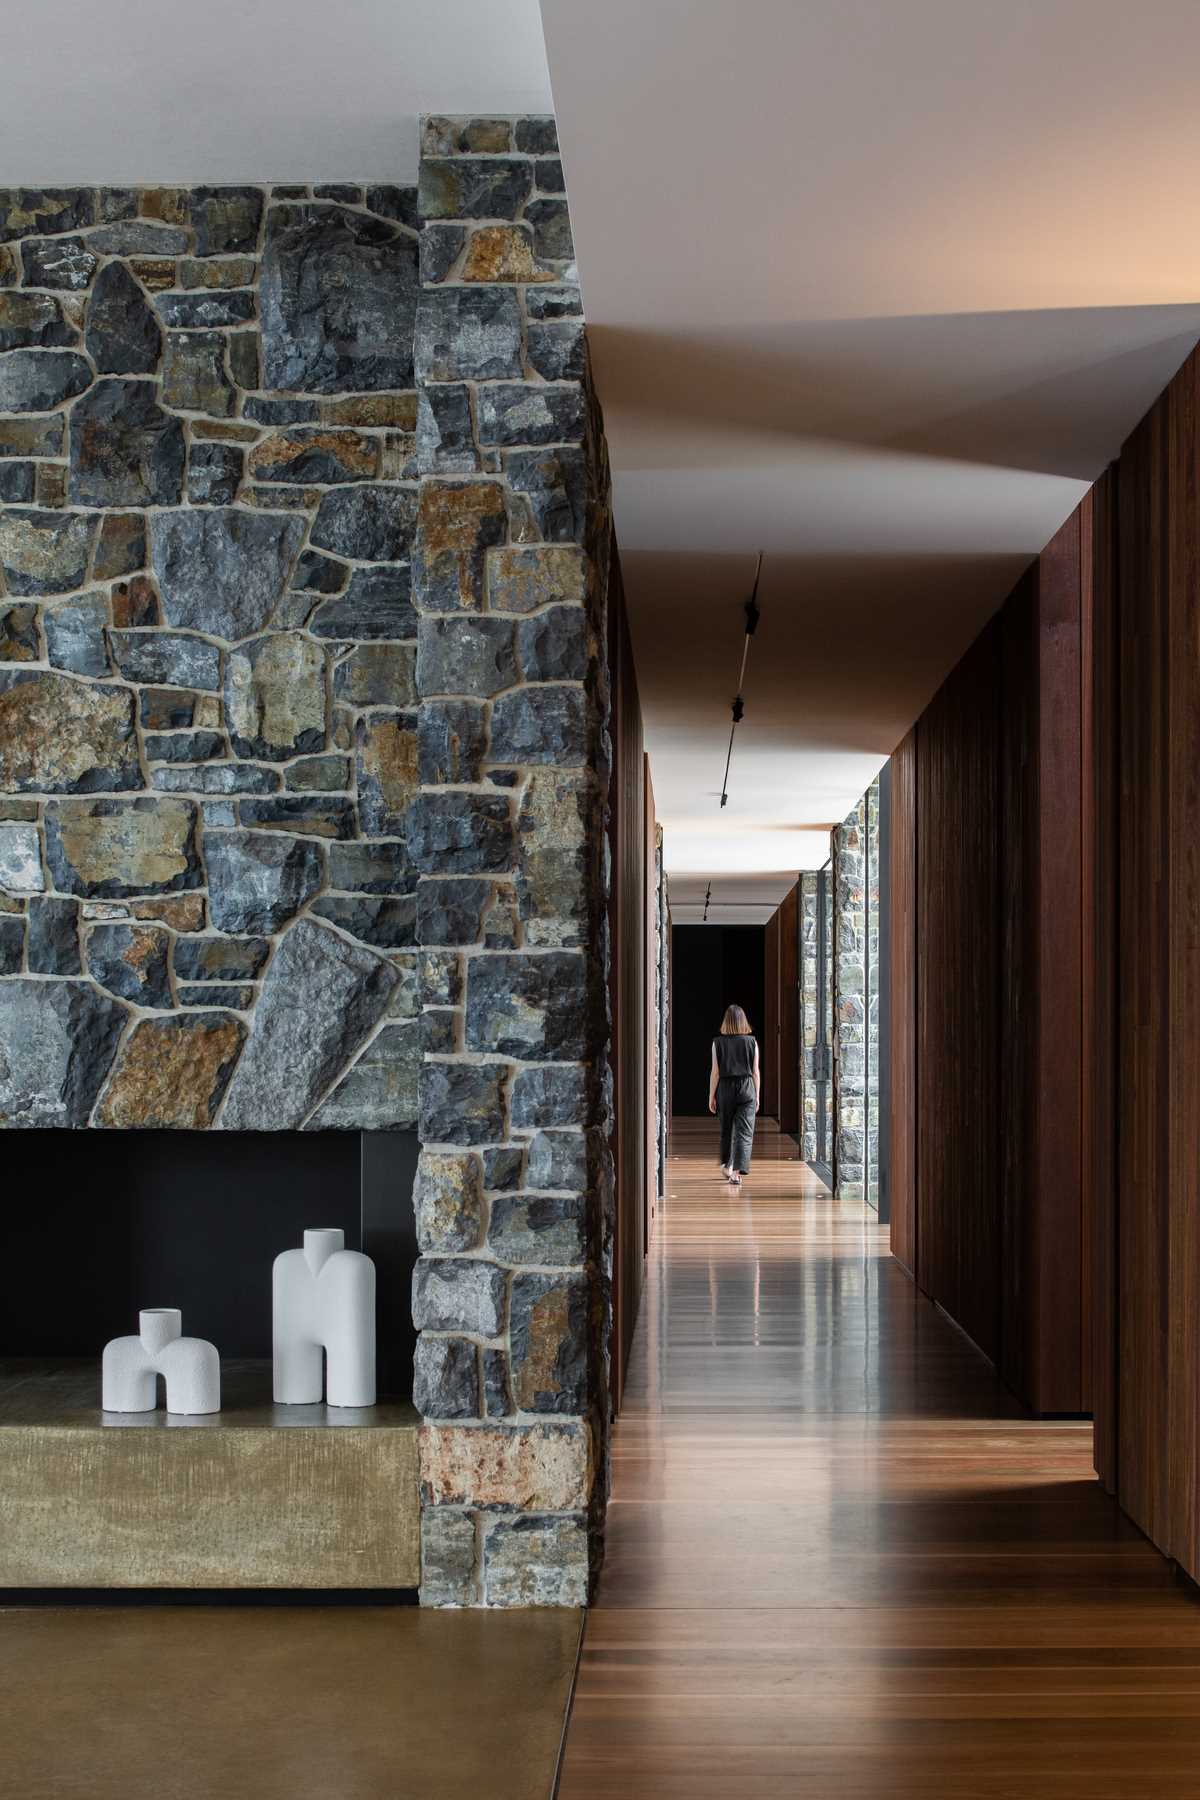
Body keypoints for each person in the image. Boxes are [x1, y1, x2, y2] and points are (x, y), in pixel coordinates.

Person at [708, 1004, 760, 1185]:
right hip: (747, 1086)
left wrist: (711, 1096)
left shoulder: (717, 1043)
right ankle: (736, 1173)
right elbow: (755, 1072)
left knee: (727, 1129)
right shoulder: (752, 1042)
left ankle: (726, 1165)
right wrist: (758, 1095)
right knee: (745, 1132)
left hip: (725, 1088)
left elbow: (715, 1072)